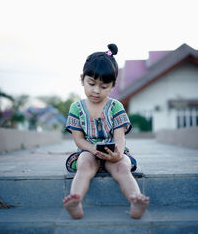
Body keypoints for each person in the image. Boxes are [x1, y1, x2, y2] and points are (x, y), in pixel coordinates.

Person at [63, 44, 149, 219]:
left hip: (113, 152)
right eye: (91, 83)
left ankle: (135, 200)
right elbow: (79, 140)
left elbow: (120, 137)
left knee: (122, 168)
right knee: (84, 165)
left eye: (103, 86)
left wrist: (117, 155)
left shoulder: (115, 106)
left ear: (112, 86)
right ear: (82, 80)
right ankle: (76, 200)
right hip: (88, 151)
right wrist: (93, 150)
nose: (96, 90)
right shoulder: (76, 107)